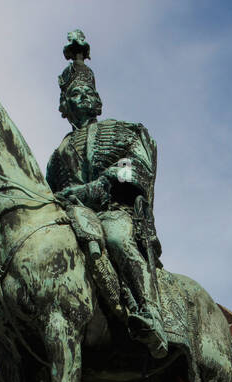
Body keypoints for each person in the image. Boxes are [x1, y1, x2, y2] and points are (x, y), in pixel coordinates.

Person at [46, 30, 167, 359]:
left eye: (87, 93)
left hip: (113, 211)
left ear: (96, 100)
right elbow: (49, 194)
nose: (82, 99)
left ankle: (149, 314)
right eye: (74, 95)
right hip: (73, 219)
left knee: (114, 238)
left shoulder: (121, 130)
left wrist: (98, 185)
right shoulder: (57, 156)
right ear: (64, 105)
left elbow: (137, 165)